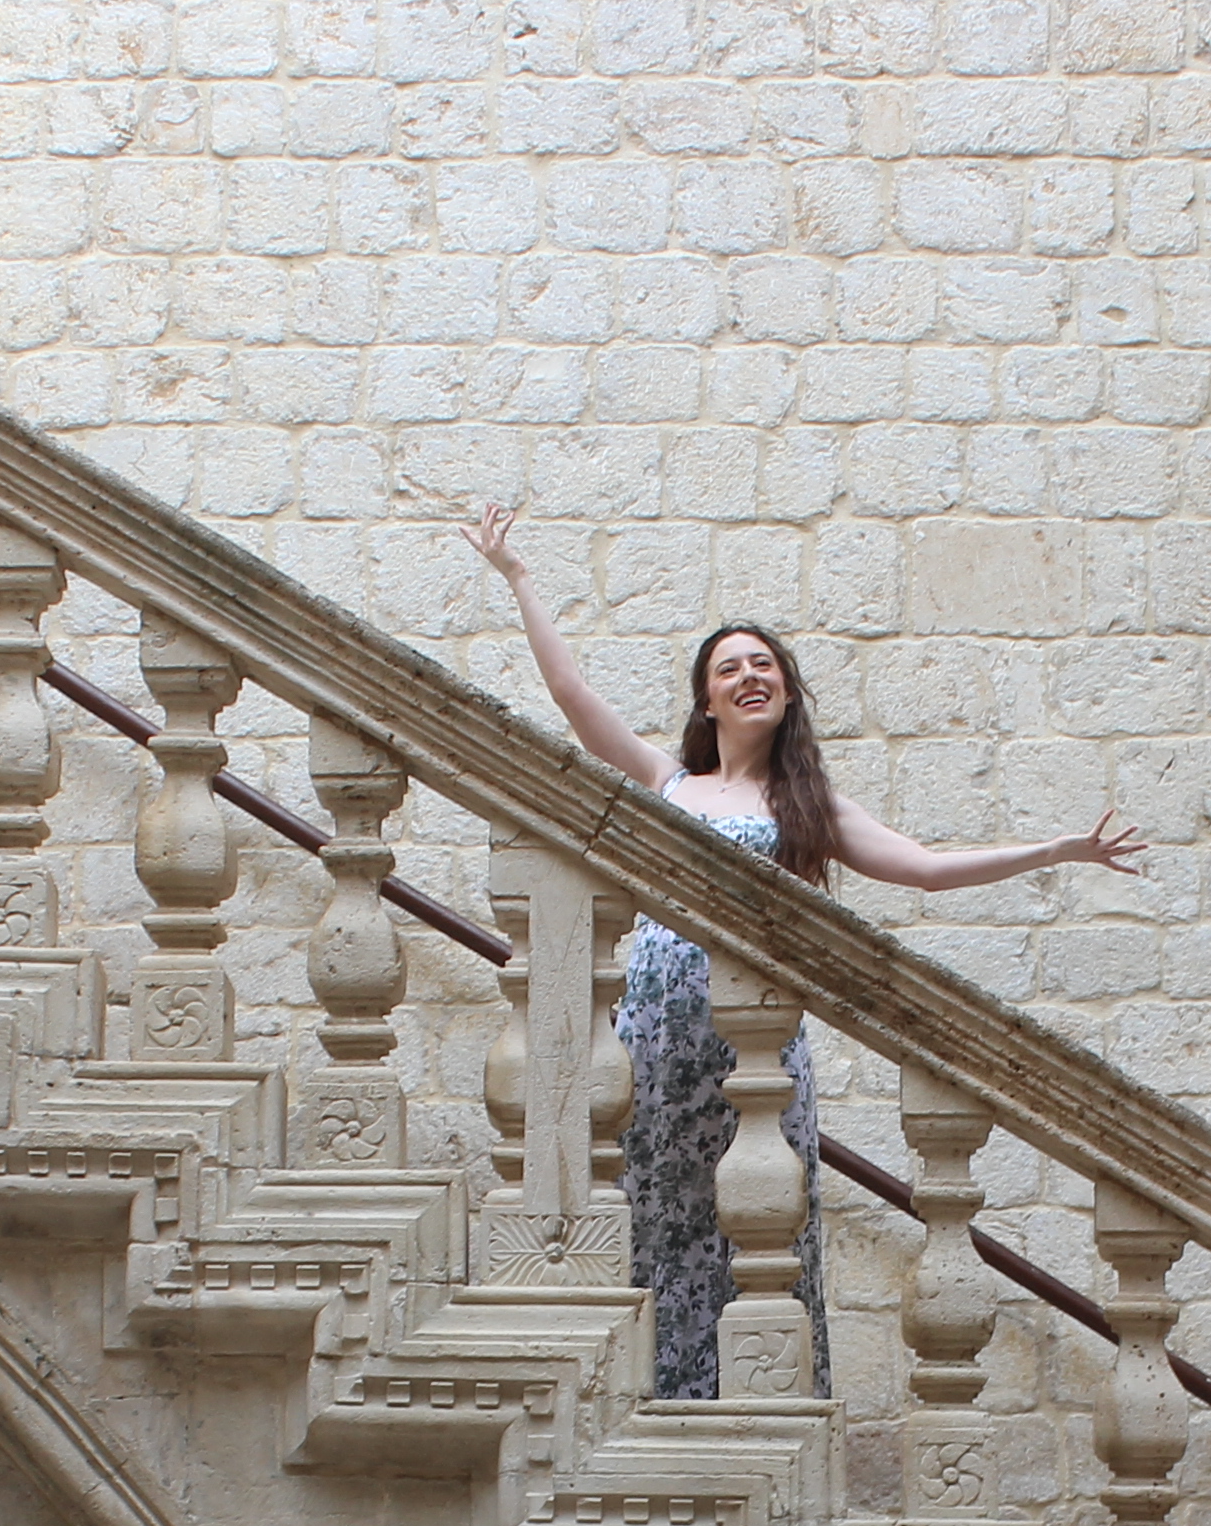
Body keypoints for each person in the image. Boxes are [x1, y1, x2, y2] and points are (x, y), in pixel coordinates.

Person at [465, 503, 1149, 1399]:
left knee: (749, 1219)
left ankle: (746, 1393)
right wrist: (518, 577)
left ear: (785, 690)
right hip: (654, 1038)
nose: (750, 676)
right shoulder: (670, 782)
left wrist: (1055, 852)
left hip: (751, 1050)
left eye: (764, 664)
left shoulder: (808, 809)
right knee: (650, 1212)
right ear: (707, 701)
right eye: (729, 668)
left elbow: (928, 870)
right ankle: (643, 1396)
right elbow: (573, 697)